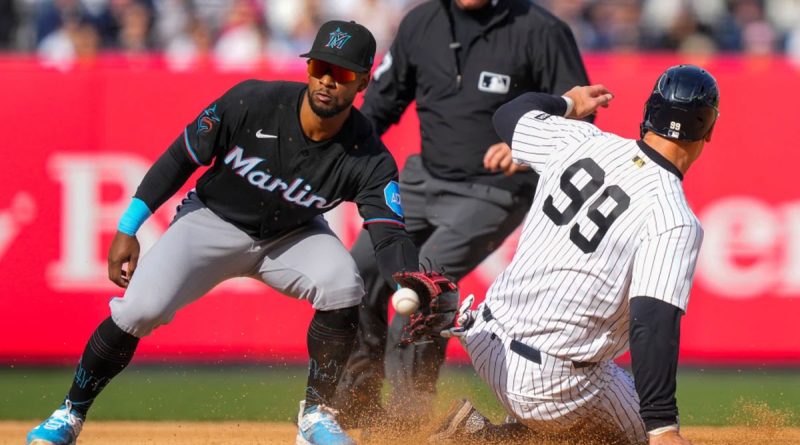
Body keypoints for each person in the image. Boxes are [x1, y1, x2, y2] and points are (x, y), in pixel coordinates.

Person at [25, 20, 457, 445]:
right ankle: (69, 414)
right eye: (320, 67)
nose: (327, 80)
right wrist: (128, 226)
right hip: (212, 220)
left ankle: (316, 415)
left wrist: (406, 276)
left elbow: (388, 231)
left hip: (292, 233)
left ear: (362, 81)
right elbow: (180, 158)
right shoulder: (253, 102)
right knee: (138, 309)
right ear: (307, 69)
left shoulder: (369, 155)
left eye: (342, 73)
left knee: (343, 284)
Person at [333, 0, 592, 427]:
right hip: (422, 180)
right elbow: (380, 104)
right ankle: (357, 401)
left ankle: (405, 423)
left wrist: (526, 148)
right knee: (356, 273)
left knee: (422, 287)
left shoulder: (541, 30)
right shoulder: (420, 22)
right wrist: (331, 154)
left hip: (495, 190)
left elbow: (582, 116)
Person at [431, 64, 719, 445]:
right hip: (551, 385)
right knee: (627, 435)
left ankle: (477, 433)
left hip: (485, 339)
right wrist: (662, 425)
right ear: (709, 130)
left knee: (583, 400)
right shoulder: (675, 218)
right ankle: (483, 440)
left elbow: (508, 115)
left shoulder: (580, 139)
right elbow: (652, 324)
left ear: (649, 112)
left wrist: (568, 102)